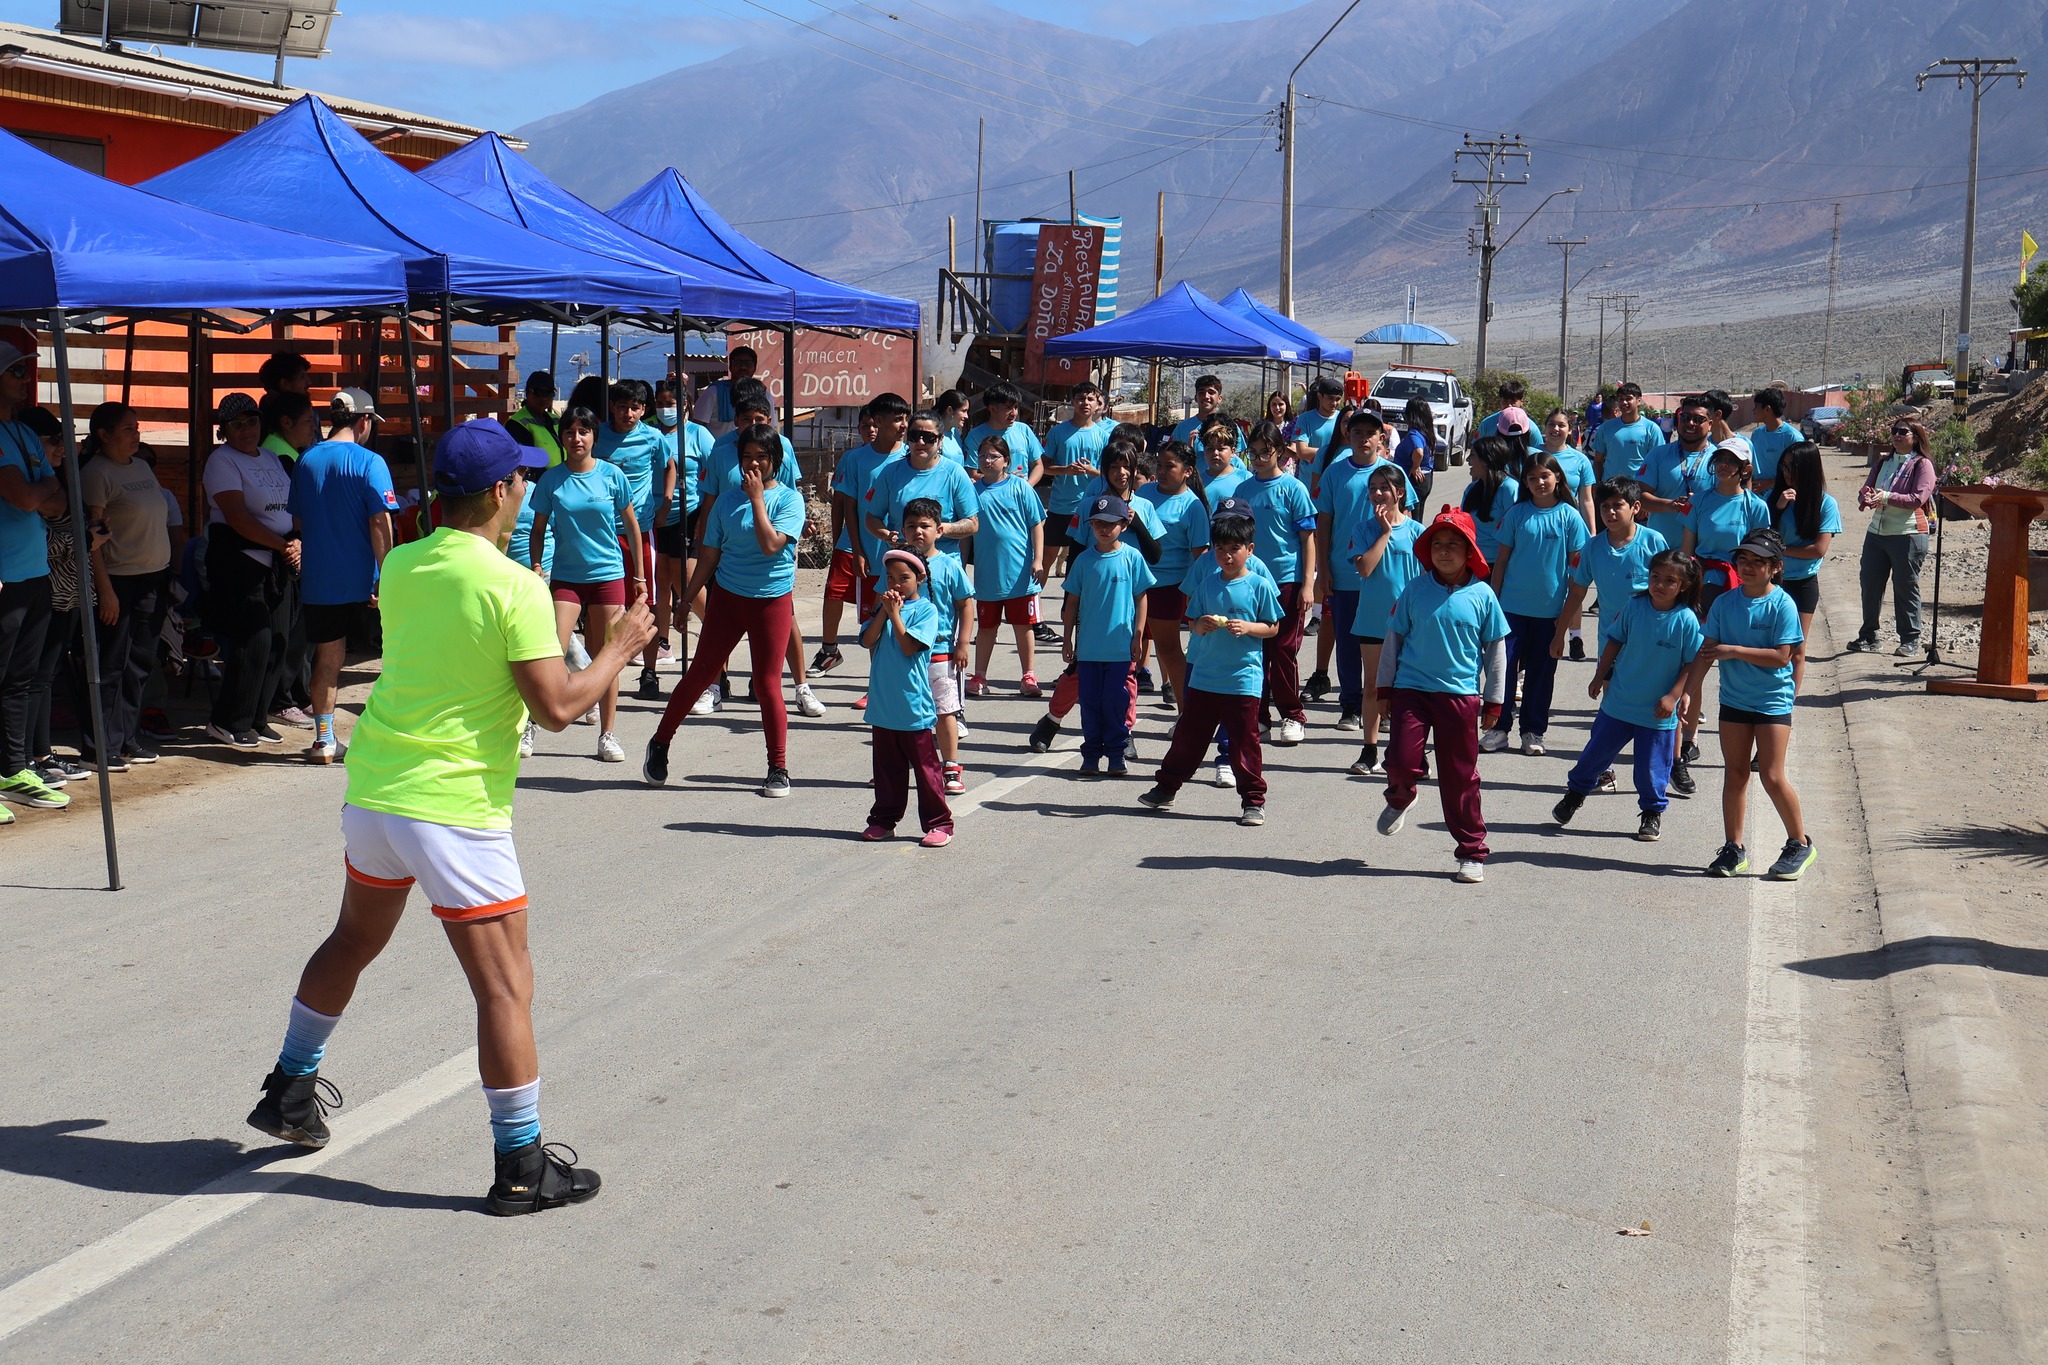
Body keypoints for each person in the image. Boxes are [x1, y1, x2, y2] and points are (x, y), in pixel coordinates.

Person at [246, 417, 646, 1215]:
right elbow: (560, 707)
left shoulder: (401, 563)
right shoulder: (513, 585)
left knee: (354, 938)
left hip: (379, 791)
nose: (527, 490)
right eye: (521, 480)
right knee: (507, 986)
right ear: (500, 492)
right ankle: (521, 1163)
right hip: (456, 809)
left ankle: (289, 1085)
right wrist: (620, 645)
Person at [643, 423, 805, 797]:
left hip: (771, 600)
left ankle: (777, 767)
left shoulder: (788, 501)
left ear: (775, 461)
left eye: (761, 458)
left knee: (767, 685)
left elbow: (770, 545)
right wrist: (686, 600)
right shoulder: (727, 502)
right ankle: (661, 742)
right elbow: (709, 555)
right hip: (729, 597)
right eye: (746, 457)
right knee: (701, 673)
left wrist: (758, 501)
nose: (753, 464)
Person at [1371, 508, 1510, 884]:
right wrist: (1384, 690)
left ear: (1470, 552)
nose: (1444, 552)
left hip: (1460, 696)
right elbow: (1392, 642)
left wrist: (1494, 701)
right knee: (1399, 759)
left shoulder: (1483, 595)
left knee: (1460, 777)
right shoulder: (1414, 590)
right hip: (1411, 691)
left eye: (1453, 545)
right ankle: (1400, 796)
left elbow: (1496, 654)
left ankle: (1472, 851)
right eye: (1437, 544)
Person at [1684, 528, 1815, 880]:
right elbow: (1706, 652)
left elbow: (1781, 657)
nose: (1749, 567)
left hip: (1773, 702)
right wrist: (1686, 691)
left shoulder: (1783, 603)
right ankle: (1733, 848)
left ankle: (1799, 843)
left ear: (1775, 568)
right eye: (1744, 559)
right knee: (1736, 774)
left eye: (1759, 562)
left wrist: (1734, 651)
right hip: (1734, 701)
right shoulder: (1726, 603)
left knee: (1772, 775)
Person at [1137, 514, 1282, 825]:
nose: (1227, 556)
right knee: (1188, 739)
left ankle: (1253, 801)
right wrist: (1200, 625)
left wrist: (1249, 627)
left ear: (1250, 549)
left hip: (1243, 679)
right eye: (1220, 549)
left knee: (1245, 744)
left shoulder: (1258, 585)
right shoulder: (1206, 584)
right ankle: (1166, 788)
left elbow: (1272, 627)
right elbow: (1193, 622)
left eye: (1234, 548)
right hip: (1204, 677)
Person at [1553, 550, 1705, 842]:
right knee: (1593, 757)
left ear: (1683, 586)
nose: (1659, 584)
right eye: (1655, 577)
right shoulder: (1635, 606)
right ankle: (1574, 795)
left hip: (1657, 712)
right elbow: (1614, 642)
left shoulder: (1686, 620)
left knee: (1651, 770)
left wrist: (1674, 696)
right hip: (1619, 703)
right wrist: (1599, 676)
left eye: (1669, 580)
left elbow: (1692, 663)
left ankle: (1651, 813)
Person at [288, 390, 398, 764]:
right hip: (367, 581)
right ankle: (392, 735)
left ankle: (325, 740)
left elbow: (298, 521)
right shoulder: (371, 462)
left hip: (321, 578)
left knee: (327, 659)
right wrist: (387, 575)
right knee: (394, 656)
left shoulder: (305, 461)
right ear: (363, 421)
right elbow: (380, 521)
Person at [528, 406, 641, 762]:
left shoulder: (612, 475)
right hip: (566, 579)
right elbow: (538, 528)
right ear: (561, 438)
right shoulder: (551, 480)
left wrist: (638, 576)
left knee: (607, 654)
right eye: (570, 432)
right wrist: (535, 565)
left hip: (608, 577)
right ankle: (529, 725)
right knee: (551, 650)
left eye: (583, 431)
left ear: (594, 435)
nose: (576, 438)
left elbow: (633, 527)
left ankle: (607, 734)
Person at [79, 401, 174, 768]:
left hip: (152, 576)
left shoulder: (140, 467)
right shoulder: (97, 473)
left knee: (140, 662)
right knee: (111, 664)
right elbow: (93, 537)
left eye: (137, 427)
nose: (136, 434)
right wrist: (105, 591)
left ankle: (126, 738)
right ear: (104, 435)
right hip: (119, 580)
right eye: (128, 429)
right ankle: (98, 745)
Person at [202, 392, 299, 750]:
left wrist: (298, 540)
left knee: (279, 639)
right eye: (236, 424)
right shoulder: (221, 460)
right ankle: (228, 720)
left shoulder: (273, 458)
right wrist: (283, 545)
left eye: (252, 421)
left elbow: (294, 507)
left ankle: (258, 716)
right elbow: (238, 517)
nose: (246, 429)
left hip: (279, 559)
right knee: (253, 638)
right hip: (241, 559)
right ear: (224, 430)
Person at [1313, 409, 1416, 725]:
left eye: (1370, 433)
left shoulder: (1393, 472)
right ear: (1348, 435)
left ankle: (1386, 705)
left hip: (1387, 580)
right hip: (1346, 574)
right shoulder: (1334, 473)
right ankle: (1352, 705)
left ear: (1381, 438)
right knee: (1347, 642)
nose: (1363, 438)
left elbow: (1407, 520)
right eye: (1356, 432)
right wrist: (1323, 569)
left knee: (1390, 646)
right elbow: (1324, 521)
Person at [1482, 451, 1588, 757]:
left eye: (1545, 476)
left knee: (1542, 675)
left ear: (1557, 479)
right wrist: (1493, 604)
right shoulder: (1516, 515)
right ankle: (1498, 728)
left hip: (1550, 614)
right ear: (1525, 483)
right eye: (1532, 478)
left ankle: (1533, 730)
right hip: (1510, 610)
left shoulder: (1570, 516)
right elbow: (1500, 563)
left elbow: (1576, 574)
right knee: (1501, 671)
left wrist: (1568, 620)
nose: (1539, 482)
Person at [860, 548, 953, 846]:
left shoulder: (926, 610)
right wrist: (883, 613)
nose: (896, 584)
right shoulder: (883, 608)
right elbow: (866, 640)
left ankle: (940, 823)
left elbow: (909, 646)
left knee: (927, 772)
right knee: (887, 771)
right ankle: (884, 821)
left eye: (904, 578)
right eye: (890, 578)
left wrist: (894, 615)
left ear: (920, 578)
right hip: (883, 707)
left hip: (913, 708)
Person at [1063, 494, 1155, 776]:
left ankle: (1116, 754)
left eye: (1111, 523)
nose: (1104, 529)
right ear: (1090, 526)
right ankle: (1091, 754)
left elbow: (1142, 597)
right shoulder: (1083, 560)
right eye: (1098, 523)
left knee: (1117, 703)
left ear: (1124, 525)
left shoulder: (1132, 558)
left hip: (1119, 650)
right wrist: (1067, 637)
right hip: (1089, 650)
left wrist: (1138, 634)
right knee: (1090, 705)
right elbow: (1072, 602)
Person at [1343, 465, 1425, 777]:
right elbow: (1365, 569)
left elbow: (1425, 578)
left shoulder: (1417, 532)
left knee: (1407, 689)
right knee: (1374, 685)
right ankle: (1369, 751)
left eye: (1384, 487)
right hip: (1373, 621)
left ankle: (1407, 752)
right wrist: (1385, 532)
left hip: (1410, 623)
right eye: (1373, 487)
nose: (1378, 493)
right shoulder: (1363, 529)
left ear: (1400, 493)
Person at [1240, 419, 1316, 744]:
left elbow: (1308, 538)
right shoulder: (1242, 490)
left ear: (1278, 452)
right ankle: (1259, 717)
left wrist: (1308, 585)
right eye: (1253, 453)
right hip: (1251, 582)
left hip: (1287, 580)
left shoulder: (1294, 488)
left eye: (1264, 452)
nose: (1258, 459)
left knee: (1283, 650)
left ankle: (1292, 715)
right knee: (1255, 650)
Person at [817, 399, 903, 674]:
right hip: (856, 544)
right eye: (896, 418)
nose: (903, 425)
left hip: (893, 550)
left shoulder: (910, 458)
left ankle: (883, 679)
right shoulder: (854, 459)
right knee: (841, 597)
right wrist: (855, 548)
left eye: (905, 419)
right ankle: (829, 650)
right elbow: (846, 505)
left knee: (884, 611)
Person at [897, 499, 974, 795]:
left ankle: (950, 766)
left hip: (941, 652)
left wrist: (963, 642)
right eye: (912, 526)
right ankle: (898, 764)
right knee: (904, 712)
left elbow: (966, 605)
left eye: (925, 526)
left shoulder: (950, 565)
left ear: (939, 530)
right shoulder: (896, 564)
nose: (918, 531)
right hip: (905, 654)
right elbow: (883, 604)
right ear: (903, 530)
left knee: (945, 712)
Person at [1848, 417, 1936, 657]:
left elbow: (1917, 499)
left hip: (1907, 534)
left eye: (1903, 432)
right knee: (1870, 584)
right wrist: (1866, 496)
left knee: (1905, 587)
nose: (1896, 435)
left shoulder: (1922, 465)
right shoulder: (1882, 463)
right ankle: (1869, 636)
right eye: (1894, 431)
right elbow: (1867, 489)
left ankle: (1910, 639)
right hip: (1877, 533)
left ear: (1915, 437)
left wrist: (1885, 497)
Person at [966, 435, 1046, 698]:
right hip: (988, 576)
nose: (987, 461)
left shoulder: (1021, 488)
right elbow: (966, 534)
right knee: (987, 627)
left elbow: (1036, 524)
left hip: (1020, 575)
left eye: (993, 456)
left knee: (1024, 627)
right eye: (983, 456)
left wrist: (1037, 559)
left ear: (1006, 461)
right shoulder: (972, 492)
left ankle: (1028, 675)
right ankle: (979, 677)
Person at [1136, 440, 1210, 710]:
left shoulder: (1193, 507)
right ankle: (1120, 719)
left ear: (1188, 471)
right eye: (1159, 465)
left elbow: (1199, 557)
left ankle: (1186, 714)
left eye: (1170, 466)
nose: (1163, 471)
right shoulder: (1143, 492)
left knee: (1168, 650)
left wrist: (1192, 594)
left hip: (1169, 587)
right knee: (1125, 650)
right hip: (1134, 583)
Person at [649, 394, 711, 689]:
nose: (666, 408)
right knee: (660, 581)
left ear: (685, 404)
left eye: (672, 402)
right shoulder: (650, 432)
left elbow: (715, 474)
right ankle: (663, 642)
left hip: (687, 515)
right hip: (652, 517)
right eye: (661, 402)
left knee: (685, 579)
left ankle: (714, 631)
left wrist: (705, 519)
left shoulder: (698, 434)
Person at [867, 406, 980, 558]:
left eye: (928, 437)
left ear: (940, 441)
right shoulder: (890, 473)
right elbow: (872, 518)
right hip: (902, 565)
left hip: (943, 562)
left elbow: (972, 524)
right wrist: (887, 535)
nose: (920, 442)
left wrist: (939, 529)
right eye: (914, 435)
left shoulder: (955, 473)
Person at [1771, 442, 1838, 690]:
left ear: (1808, 469)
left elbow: (1818, 550)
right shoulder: (1775, 498)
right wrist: (1776, 510)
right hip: (1773, 583)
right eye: (1784, 466)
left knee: (1796, 650)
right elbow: (1762, 536)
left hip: (1802, 584)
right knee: (1770, 646)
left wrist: (1779, 551)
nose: (1787, 472)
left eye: (1793, 467)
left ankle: (1788, 705)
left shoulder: (1825, 504)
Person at [1682, 443, 1772, 611]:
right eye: (1719, 459)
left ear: (1746, 469)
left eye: (1731, 461)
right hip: (1703, 584)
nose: (1723, 464)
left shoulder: (1756, 506)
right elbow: (1686, 552)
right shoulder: (1697, 502)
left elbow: (1762, 555)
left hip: (1742, 585)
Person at [1040, 381, 1115, 577]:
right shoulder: (1057, 432)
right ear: (1072, 402)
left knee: (1083, 564)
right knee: (1046, 560)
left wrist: (1091, 471)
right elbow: (1043, 467)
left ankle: (1076, 606)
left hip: (1091, 508)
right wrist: (1065, 470)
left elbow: (1110, 475)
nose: (1085, 403)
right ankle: (1036, 603)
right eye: (1080, 398)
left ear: (1098, 404)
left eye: (1090, 399)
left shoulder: (1103, 436)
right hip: (1060, 507)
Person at [1640, 395, 1719, 551]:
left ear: (1710, 424)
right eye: (1685, 417)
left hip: (1703, 554)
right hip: (1661, 552)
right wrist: (1670, 505)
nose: (1690, 423)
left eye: (1698, 419)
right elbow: (1640, 497)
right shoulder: (1658, 455)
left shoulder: (1720, 459)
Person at [1459, 435, 1521, 573]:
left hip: (1500, 566)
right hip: (1473, 562)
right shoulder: (1471, 489)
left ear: (1485, 461)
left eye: (1472, 455)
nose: (1469, 461)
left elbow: (1518, 531)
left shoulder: (1509, 489)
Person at [962, 381, 1044, 485]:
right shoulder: (975, 436)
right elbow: (972, 474)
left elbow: (1038, 466)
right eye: (1008, 408)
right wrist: (1005, 481)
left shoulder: (1024, 430)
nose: (1014, 413)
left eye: (1016, 407)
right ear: (992, 409)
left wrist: (1026, 487)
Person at [1589, 382, 1664, 481]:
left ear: (1638, 401)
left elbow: (1659, 463)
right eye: (1621, 399)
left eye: (1628, 398)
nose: (1624, 402)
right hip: (1611, 490)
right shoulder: (1606, 428)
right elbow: (1598, 461)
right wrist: (1597, 485)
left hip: (1639, 491)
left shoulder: (1652, 429)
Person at [693, 345, 771, 436]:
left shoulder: (764, 394)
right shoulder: (714, 392)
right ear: (730, 367)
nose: (743, 367)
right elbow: (696, 428)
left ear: (754, 367)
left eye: (748, 363)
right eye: (738, 363)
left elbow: (770, 428)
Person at [1171, 374, 1246, 454]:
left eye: (1211, 392)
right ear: (1196, 398)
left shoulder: (1230, 427)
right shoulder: (1182, 428)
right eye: (1201, 392)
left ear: (1219, 399)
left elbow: (1237, 457)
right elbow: (1173, 456)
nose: (1206, 396)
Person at [1746, 388, 1797, 499]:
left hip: (1782, 498)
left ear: (1767, 409)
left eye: (1757, 407)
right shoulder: (1757, 434)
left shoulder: (1792, 437)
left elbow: (1800, 472)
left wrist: (1769, 483)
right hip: (1758, 497)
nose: (1754, 410)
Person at [1286, 376, 1343, 473]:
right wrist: (1334, 452)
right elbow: (1302, 452)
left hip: (1335, 479)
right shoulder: (1305, 419)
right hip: (1309, 481)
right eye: (1330, 398)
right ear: (1320, 396)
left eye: (1338, 399)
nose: (1334, 403)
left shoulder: (1342, 419)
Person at [506, 371, 562, 466]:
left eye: (548, 393)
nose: (543, 398)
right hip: (536, 480)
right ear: (527, 393)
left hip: (559, 477)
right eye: (538, 392)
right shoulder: (515, 424)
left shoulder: (555, 419)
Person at [1395, 398, 1438, 512]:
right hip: (1426, 478)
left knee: (1413, 519)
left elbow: (1418, 451)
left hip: (1415, 480)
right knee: (1417, 516)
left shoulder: (1414, 434)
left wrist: (1415, 466)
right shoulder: (1426, 433)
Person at [932, 388, 969, 466]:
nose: (966, 416)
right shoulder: (934, 435)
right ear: (950, 410)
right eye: (963, 411)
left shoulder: (955, 432)